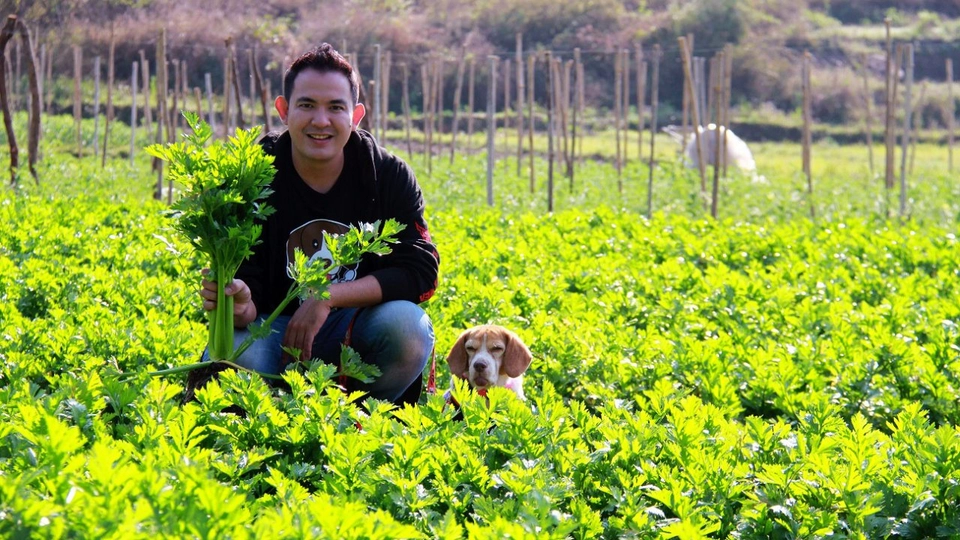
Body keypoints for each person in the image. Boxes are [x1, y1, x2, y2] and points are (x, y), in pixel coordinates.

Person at [198, 43, 439, 405]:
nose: (321, 121)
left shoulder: (387, 175)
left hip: (355, 331)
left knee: (409, 328)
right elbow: (249, 288)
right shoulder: (252, 176)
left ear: (356, 115)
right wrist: (242, 304)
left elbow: (421, 273)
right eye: (307, 105)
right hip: (272, 328)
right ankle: (274, 415)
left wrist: (326, 297)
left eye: (335, 107)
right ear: (284, 110)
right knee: (235, 352)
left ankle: (361, 416)